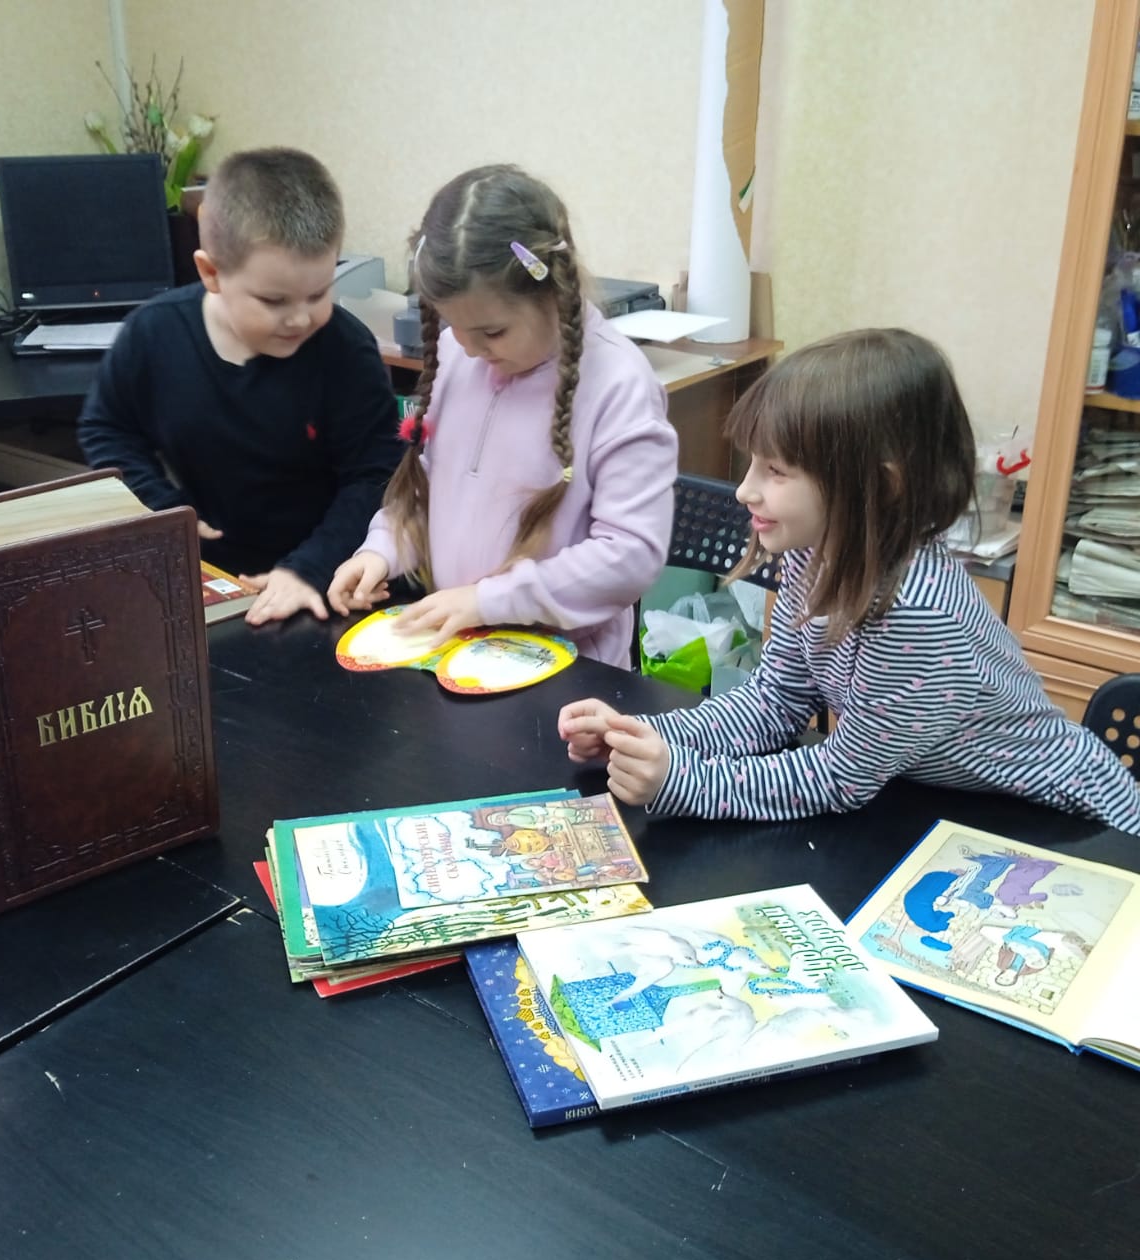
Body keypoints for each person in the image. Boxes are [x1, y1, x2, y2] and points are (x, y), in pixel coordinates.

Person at [557, 328, 1140, 836]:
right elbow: (774, 702)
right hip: (956, 807)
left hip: (1076, 826)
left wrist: (681, 780)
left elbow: (841, 778)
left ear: (879, 487)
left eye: (776, 470)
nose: (745, 490)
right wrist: (640, 735)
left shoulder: (916, 614)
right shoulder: (812, 552)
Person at [326, 164, 677, 668]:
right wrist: (381, 550)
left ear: (552, 292)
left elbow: (630, 555)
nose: (470, 349)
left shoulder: (620, 386)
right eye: (453, 326)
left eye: (492, 332)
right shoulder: (459, 355)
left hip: (566, 674)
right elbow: (430, 484)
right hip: (459, 652)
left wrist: (488, 601)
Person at [77, 147, 402, 625]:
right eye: (273, 300)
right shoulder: (154, 333)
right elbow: (107, 429)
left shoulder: (345, 350)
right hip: (212, 580)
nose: (300, 318)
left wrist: (308, 569)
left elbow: (375, 476)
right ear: (211, 273)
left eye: (318, 293)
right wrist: (164, 511)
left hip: (330, 580)